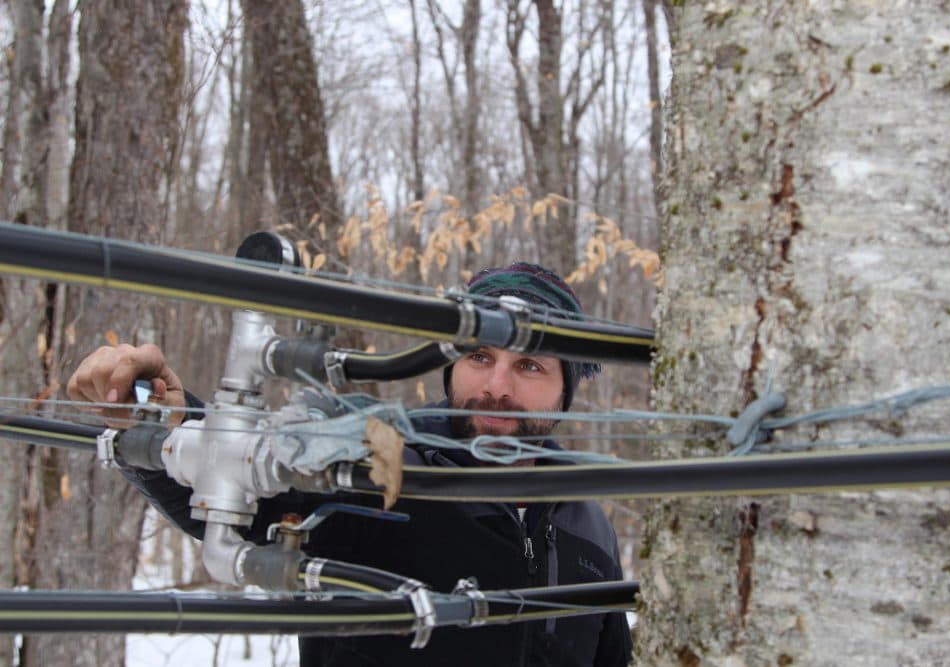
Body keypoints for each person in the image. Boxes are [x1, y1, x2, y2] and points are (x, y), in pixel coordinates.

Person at [68, 262, 633, 666]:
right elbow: (236, 495)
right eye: (479, 356)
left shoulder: (590, 526)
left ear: (566, 391)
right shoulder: (367, 467)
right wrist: (165, 419)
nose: (496, 388)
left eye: (530, 366)